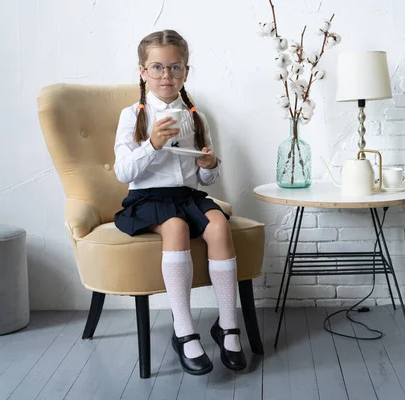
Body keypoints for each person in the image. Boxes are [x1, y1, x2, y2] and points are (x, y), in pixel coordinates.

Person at [113, 30, 246, 375]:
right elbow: (123, 171)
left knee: (218, 225)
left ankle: (228, 326)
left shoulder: (195, 117)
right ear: (142, 72)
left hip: (187, 196)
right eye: (157, 67)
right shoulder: (133, 116)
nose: (166, 76)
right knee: (175, 226)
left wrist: (210, 165)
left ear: (186, 72)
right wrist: (152, 144)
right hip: (147, 198)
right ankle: (184, 331)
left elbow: (205, 180)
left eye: (174, 68)